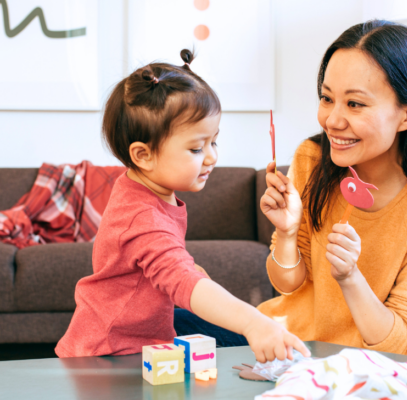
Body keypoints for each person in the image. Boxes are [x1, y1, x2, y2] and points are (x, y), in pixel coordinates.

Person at [56, 50, 309, 363]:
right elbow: (181, 278)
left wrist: (186, 270)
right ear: (143, 155)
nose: (212, 157)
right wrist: (253, 322)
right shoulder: (142, 216)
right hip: (110, 354)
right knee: (240, 329)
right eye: (196, 148)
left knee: (220, 328)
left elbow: (153, 261)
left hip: (138, 335)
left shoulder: (144, 187)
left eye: (213, 142)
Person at [257, 21, 407, 357]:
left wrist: (350, 277)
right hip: (297, 351)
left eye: (355, 104)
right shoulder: (312, 160)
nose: (332, 120)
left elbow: (405, 344)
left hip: (381, 371)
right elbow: (287, 284)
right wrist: (288, 233)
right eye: (327, 98)